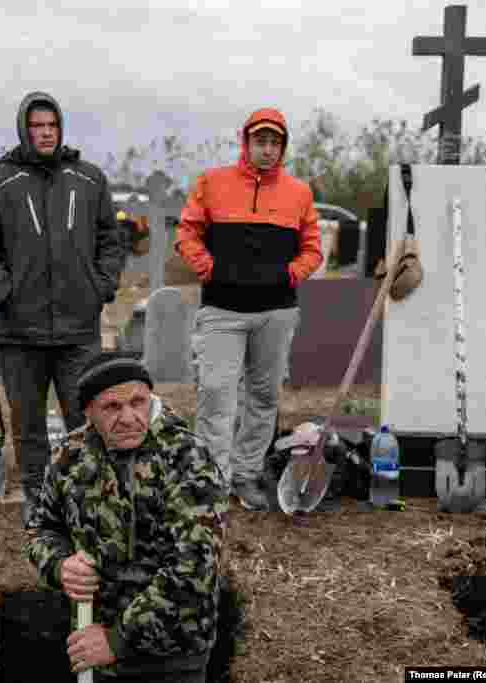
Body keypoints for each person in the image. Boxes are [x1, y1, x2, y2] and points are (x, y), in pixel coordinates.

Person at [0, 91, 125, 526]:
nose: (45, 133)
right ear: (24, 130)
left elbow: (111, 239)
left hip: (78, 329)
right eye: (36, 126)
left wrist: (101, 286)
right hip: (21, 331)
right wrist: (5, 293)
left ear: (61, 128)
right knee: (28, 423)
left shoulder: (89, 180)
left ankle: (83, 494)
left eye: (51, 126)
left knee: (83, 416)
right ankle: (36, 493)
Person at [23, 353, 228, 682]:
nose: (130, 417)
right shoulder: (70, 455)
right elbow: (42, 528)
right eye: (112, 407)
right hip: (94, 648)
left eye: (138, 402)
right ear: (88, 412)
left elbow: (194, 570)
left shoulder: (186, 458)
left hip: (171, 658)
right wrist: (60, 565)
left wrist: (117, 640)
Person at [176, 108, 323, 511]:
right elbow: (187, 233)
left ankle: (246, 473)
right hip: (222, 310)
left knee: (262, 397)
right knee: (216, 395)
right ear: (246, 143)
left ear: (283, 147)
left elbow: (312, 247)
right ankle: (213, 479)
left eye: (275, 142)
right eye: (260, 141)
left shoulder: (299, 193)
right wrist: (210, 268)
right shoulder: (213, 183)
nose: (267, 149)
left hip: (275, 313)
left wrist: (292, 274)